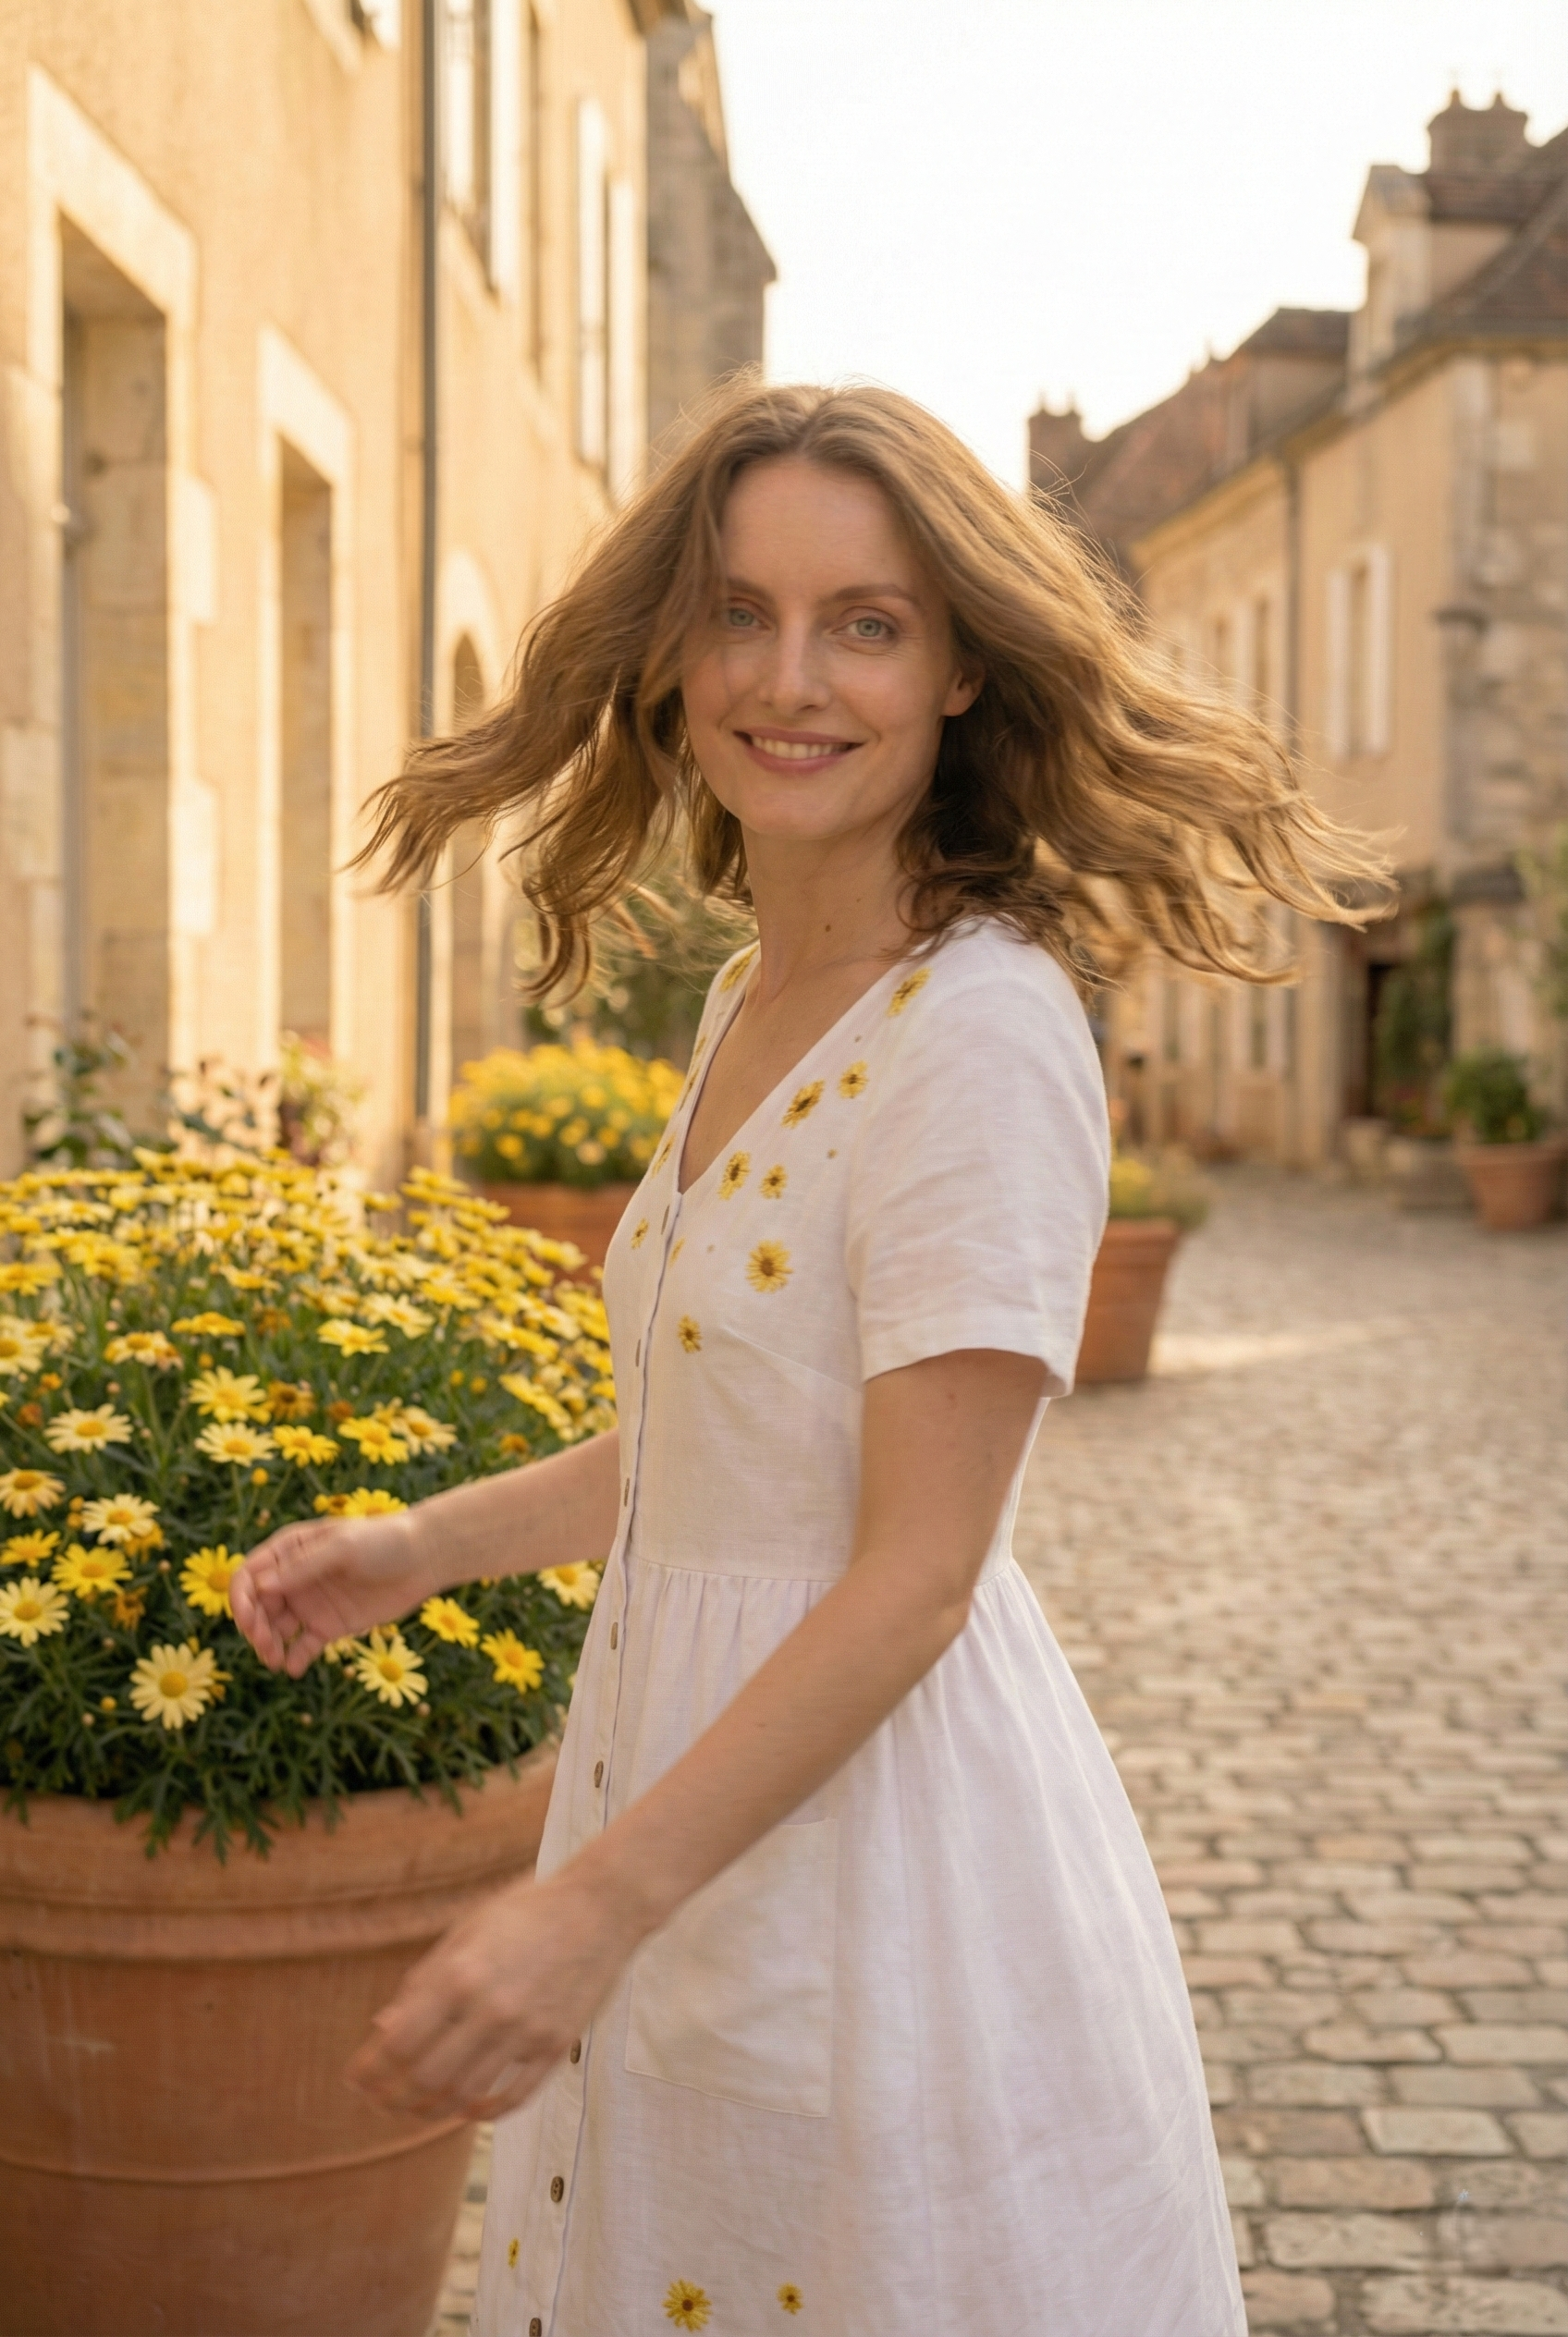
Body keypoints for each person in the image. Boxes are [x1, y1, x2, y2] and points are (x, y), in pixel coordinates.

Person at [233, 379, 1384, 2337]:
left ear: (955, 671)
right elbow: (726, 1443)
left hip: (875, 1865)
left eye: (865, 623)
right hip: (681, 1803)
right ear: (672, 657)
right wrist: (417, 1548)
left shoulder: (977, 1027)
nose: (792, 678)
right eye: (740, 614)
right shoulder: (755, 997)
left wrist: (587, 1908)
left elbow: (917, 1569)